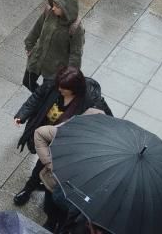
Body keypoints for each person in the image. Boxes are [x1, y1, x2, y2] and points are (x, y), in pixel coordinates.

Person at [12, 67, 110, 207]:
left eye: (64, 88)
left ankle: (29, 187)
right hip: (43, 129)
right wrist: (21, 115)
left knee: (42, 164)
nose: (59, 89)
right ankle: (32, 186)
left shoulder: (88, 101)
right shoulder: (54, 85)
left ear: (74, 88)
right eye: (59, 86)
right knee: (43, 160)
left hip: (62, 141)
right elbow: (36, 97)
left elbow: (106, 119)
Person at [22, 0, 84, 91]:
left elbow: (75, 55)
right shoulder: (49, 12)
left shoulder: (76, 28)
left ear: (66, 9)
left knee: (47, 92)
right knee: (27, 82)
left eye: (57, 6)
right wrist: (29, 47)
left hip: (55, 69)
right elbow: (36, 29)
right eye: (53, 4)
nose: (53, 8)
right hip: (37, 59)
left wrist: (70, 76)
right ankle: (40, 101)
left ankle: (42, 103)